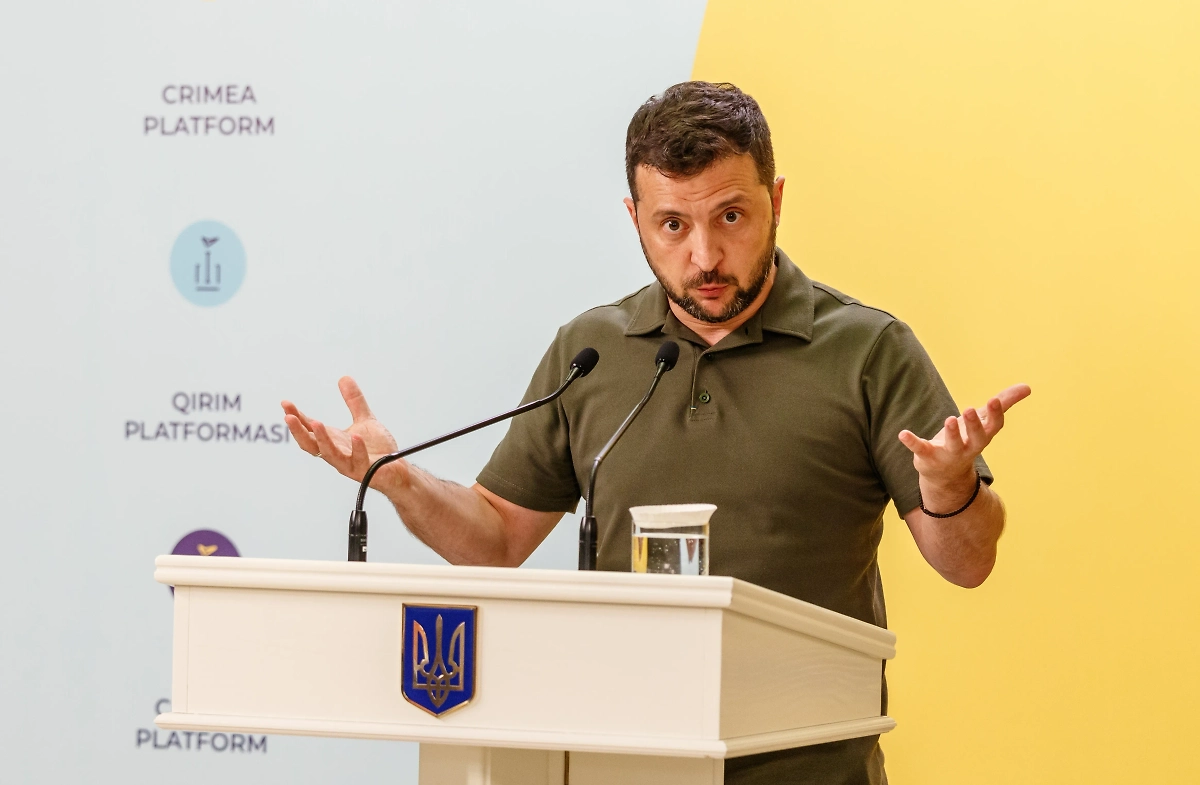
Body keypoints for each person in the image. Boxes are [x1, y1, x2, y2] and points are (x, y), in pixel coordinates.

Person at [282, 81, 1030, 785]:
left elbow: (966, 563)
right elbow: (496, 538)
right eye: (673, 225)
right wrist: (398, 479)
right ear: (635, 217)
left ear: (775, 201)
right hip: (622, 761)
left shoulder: (868, 349)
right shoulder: (591, 352)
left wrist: (950, 487)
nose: (704, 257)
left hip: (810, 767)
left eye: (730, 217)